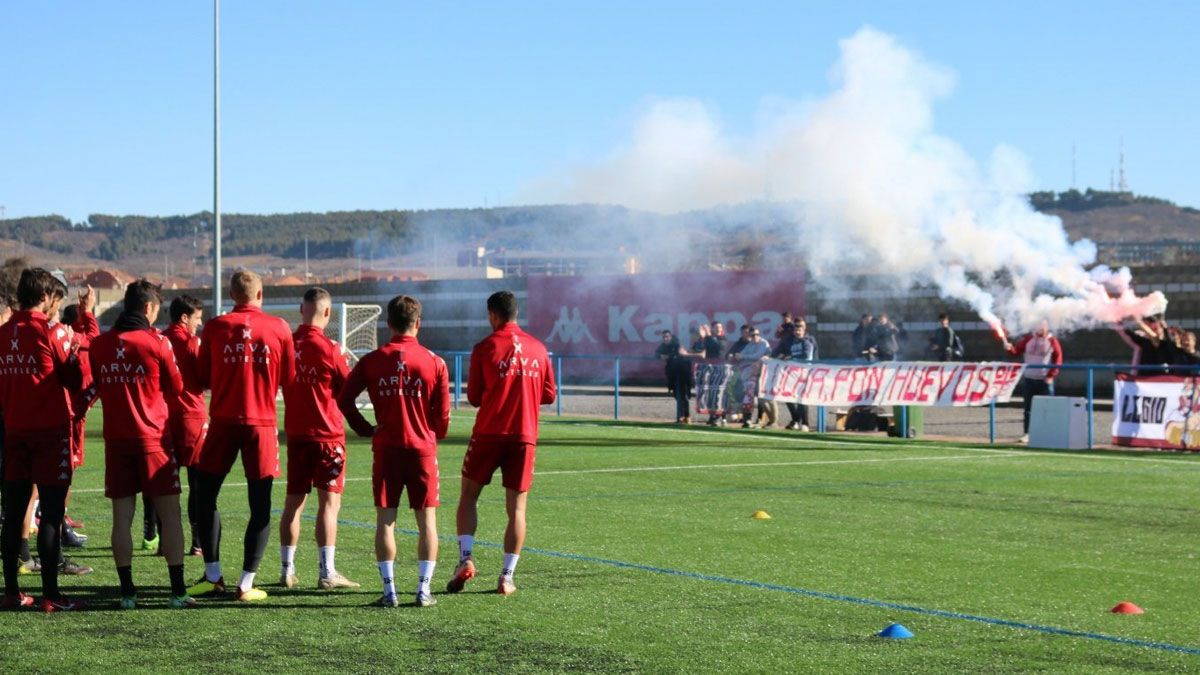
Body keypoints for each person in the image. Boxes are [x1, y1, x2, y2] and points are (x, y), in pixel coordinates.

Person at [188, 270, 295, 602]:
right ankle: (246, 584)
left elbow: (202, 376)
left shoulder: (216, 327)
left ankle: (213, 575)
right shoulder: (279, 328)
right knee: (260, 505)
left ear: (232, 295)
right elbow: (289, 379)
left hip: (222, 422)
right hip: (261, 425)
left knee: (204, 497)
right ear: (260, 295)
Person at [90, 280, 196, 609]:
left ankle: (127, 594)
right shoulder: (157, 343)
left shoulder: (100, 345)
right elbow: (177, 388)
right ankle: (177, 592)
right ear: (149, 308)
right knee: (170, 515)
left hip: (117, 441)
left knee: (122, 518)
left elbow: (98, 385)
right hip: (154, 441)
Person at [339, 294, 450, 608]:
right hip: (422, 450)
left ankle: (390, 593)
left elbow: (344, 400)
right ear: (418, 323)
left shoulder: (372, 361)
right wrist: (433, 433)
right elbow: (441, 418)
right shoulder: (434, 362)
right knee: (427, 522)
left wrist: (366, 429)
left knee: (385, 521)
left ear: (388, 324)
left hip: (387, 449)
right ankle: (423, 591)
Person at [447, 291, 555, 597]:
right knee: (517, 509)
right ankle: (507, 577)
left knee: (468, 496)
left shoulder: (485, 347)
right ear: (516, 313)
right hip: (524, 436)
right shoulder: (538, 347)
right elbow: (548, 394)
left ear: (493, 315)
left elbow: (475, 397)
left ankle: (465, 558)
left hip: (489, 434)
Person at [0, 268, 87, 611]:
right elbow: (75, 380)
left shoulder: (3, 332)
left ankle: (11, 592)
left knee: (13, 512)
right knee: (51, 513)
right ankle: (51, 595)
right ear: (47, 298)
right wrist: (74, 349)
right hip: (49, 433)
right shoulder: (52, 331)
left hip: (14, 431)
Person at [279, 288, 358, 591]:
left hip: (297, 435)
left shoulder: (287, 344)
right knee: (329, 504)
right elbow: (347, 390)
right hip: (327, 437)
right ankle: (327, 571)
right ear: (328, 313)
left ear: (301, 309)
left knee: (293, 504)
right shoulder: (331, 348)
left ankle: (287, 569)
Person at [163, 295, 207, 557]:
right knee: (197, 482)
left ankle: (156, 537)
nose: (199, 325)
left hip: (163, 417)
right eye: (197, 319)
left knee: (162, 483)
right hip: (191, 416)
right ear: (184, 318)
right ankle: (197, 542)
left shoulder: (158, 338)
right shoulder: (192, 343)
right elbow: (205, 377)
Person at [1001, 320, 1064, 442]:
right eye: (1037, 326)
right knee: (1028, 409)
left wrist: (1051, 376)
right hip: (1029, 379)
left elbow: (1058, 360)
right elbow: (1016, 351)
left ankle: (1048, 434)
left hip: (1044, 380)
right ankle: (1027, 434)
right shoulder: (1028, 339)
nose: (1039, 329)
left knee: (1048, 409)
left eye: (1042, 326)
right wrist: (1009, 348)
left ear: (1047, 328)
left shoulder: (1052, 341)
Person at [780, 320, 818, 431]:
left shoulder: (807, 342)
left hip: (804, 373)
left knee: (802, 398)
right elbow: (780, 351)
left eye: (799, 330)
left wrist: (790, 358)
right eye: (796, 330)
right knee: (786, 396)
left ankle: (805, 423)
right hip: (792, 374)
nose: (797, 332)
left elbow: (806, 355)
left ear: (803, 331)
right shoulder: (791, 342)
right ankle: (796, 419)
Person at [731, 327, 771, 428]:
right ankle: (747, 419)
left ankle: (760, 418)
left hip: (760, 374)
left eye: (757, 334)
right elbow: (743, 353)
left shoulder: (763, 343)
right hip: (748, 374)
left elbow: (757, 356)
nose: (755, 337)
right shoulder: (750, 344)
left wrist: (743, 356)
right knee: (747, 396)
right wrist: (738, 355)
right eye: (752, 335)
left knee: (760, 397)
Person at [655, 331, 693, 423]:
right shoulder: (663, 346)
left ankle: (686, 416)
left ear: (671, 337)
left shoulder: (677, 344)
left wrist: (667, 356)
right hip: (673, 373)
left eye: (667, 337)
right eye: (664, 337)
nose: (665, 339)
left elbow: (677, 354)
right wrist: (660, 356)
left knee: (683, 395)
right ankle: (681, 416)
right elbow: (656, 353)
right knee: (676, 395)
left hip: (683, 372)